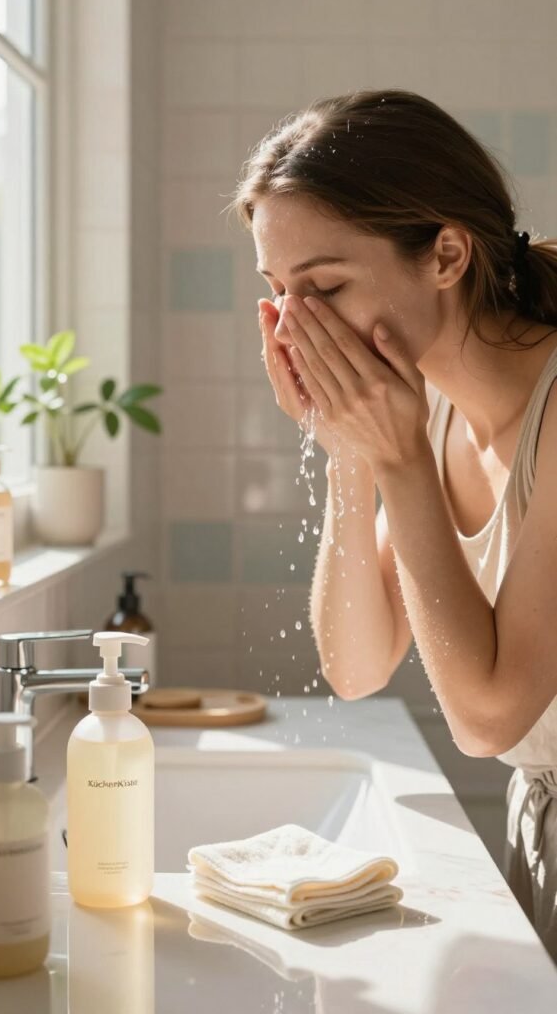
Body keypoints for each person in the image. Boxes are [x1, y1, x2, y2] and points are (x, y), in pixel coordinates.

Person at [228, 88, 557, 962]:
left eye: (325, 285)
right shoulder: (436, 414)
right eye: (278, 293)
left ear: (445, 253)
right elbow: (356, 662)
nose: (295, 326)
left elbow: (487, 719)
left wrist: (400, 461)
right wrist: (351, 455)